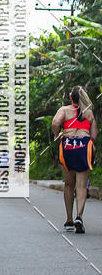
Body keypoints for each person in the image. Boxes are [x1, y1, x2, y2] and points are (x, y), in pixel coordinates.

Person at [51, 86, 97, 233]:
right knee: (82, 185)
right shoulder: (89, 113)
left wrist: (56, 135)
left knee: (69, 185)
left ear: (71, 98)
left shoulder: (64, 110)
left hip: (68, 146)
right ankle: (79, 216)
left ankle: (69, 220)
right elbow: (94, 135)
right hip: (84, 146)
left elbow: (55, 123)